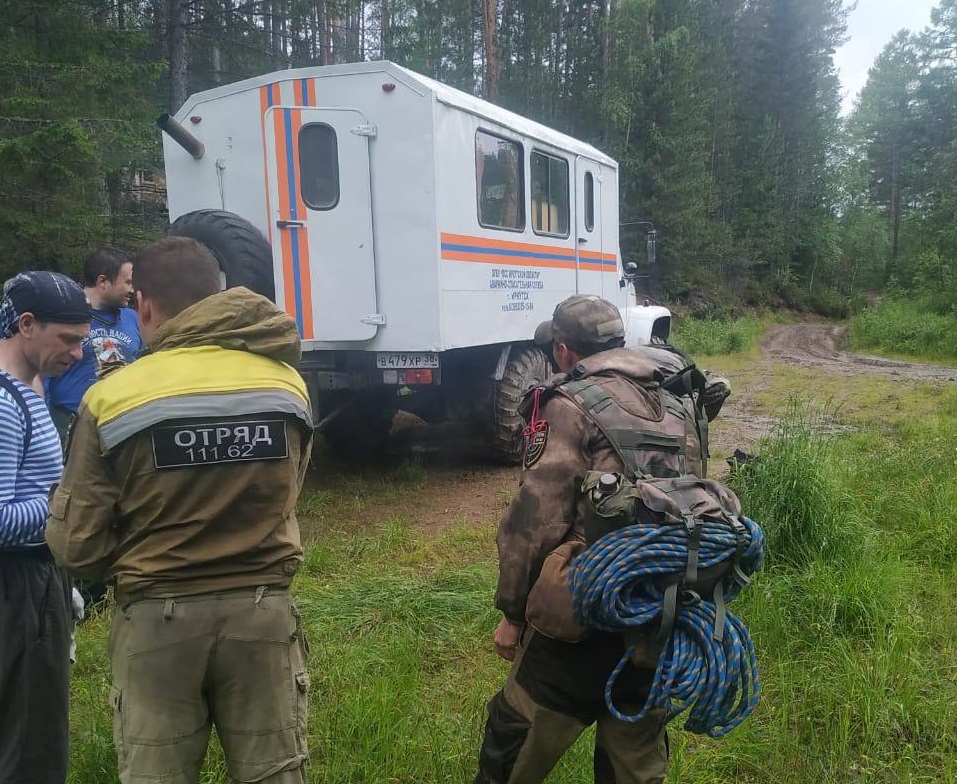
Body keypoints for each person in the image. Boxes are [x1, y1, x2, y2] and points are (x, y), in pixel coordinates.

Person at [46, 237, 314, 784]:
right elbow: (287, 497)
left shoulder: (112, 397)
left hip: (155, 623)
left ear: (142, 303)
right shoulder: (287, 384)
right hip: (263, 617)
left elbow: (79, 546)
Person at [475, 295, 721, 784]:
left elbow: (535, 519)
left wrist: (512, 613)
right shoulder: (676, 398)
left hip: (581, 611)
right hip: (657, 607)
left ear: (564, 351)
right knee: (634, 761)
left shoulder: (567, 404)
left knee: (514, 742)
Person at [0, 271, 91, 784]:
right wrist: (66, 499)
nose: (77, 354)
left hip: (37, 577)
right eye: (69, 340)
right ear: (27, 325)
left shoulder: (25, 389)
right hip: (16, 589)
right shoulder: (3, 403)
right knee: (28, 744)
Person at [45, 246, 141, 444]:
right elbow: (40, 369)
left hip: (119, 420)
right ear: (103, 281)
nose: (132, 290)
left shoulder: (134, 319)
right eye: (128, 282)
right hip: (67, 422)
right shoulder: (62, 316)